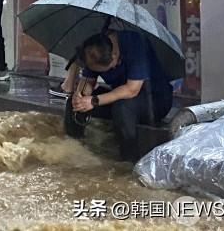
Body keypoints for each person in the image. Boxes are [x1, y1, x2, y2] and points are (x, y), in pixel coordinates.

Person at [63, 30, 173, 162]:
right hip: (118, 96)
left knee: (122, 108)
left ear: (114, 56)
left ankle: (128, 161)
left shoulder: (136, 44)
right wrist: (80, 96)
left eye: (109, 69)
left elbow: (132, 90)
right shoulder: (94, 49)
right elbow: (89, 81)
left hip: (153, 100)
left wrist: (94, 100)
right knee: (73, 104)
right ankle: (73, 148)